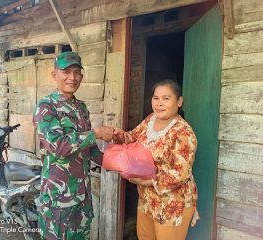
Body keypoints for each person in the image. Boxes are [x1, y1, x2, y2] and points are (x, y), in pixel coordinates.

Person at [33, 51, 114, 240]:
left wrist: (118, 163)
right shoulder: (47, 107)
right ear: (54, 75)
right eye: (66, 71)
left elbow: (89, 148)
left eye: (77, 72)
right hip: (58, 199)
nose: (72, 77)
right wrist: (98, 133)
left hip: (82, 195)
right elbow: (58, 146)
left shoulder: (81, 108)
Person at [114, 79, 199, 240]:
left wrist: (148, 181)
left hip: (172, 204)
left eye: (166, 98)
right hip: (147, 200)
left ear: (179, 101)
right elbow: (133, 138)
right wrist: (119, 136)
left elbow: (180, 174)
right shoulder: (150, 120)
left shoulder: (183, 132)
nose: (159, 103)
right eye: (156, 98)